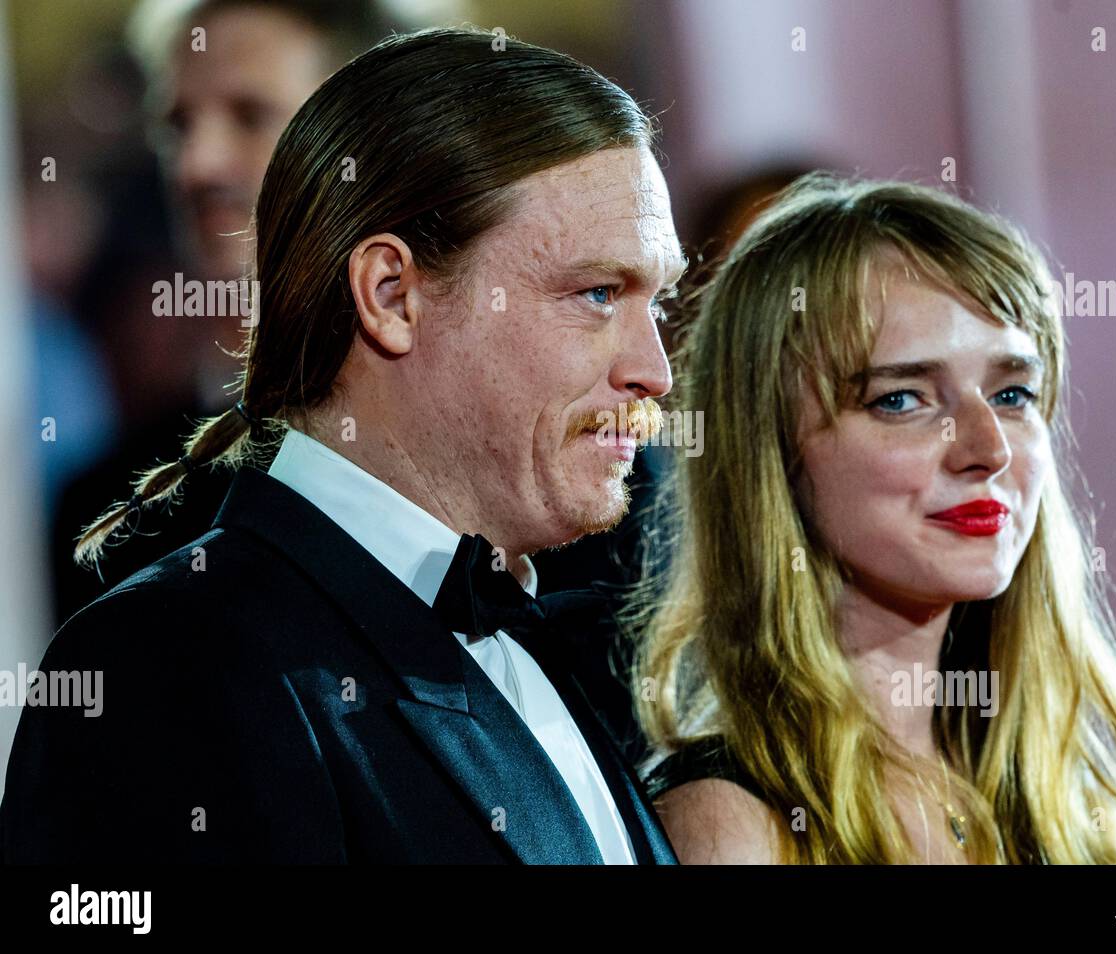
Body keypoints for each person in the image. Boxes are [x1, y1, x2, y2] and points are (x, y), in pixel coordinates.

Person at [1, 27, 683, 864]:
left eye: (658, 302)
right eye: (597, 293)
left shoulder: (534, 639)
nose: (654, 371)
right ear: (392, 295)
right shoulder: (164, 668)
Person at [634, 173, 1116, 864]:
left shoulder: (1069, 787)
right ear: (768, 448)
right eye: (902, 400)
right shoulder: (731, 822)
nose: (988, 448)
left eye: (1012, 393)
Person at [50, 0, 400, 626]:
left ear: (379, 146)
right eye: (178, 127)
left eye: (250, 115)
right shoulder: (110, 515)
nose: (196, 165)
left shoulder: (505, 461)